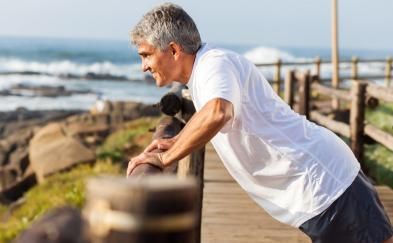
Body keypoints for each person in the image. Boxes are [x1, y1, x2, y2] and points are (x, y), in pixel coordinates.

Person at [127, 3, 393, 242]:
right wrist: (176, 141)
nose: (144, 66)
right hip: (315, 191)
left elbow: (218, 112)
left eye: (146, 55)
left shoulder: (213, 64)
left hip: (325, 185)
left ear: (173, 49)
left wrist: (165, 159)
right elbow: (213, 111)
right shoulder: (205, 72)